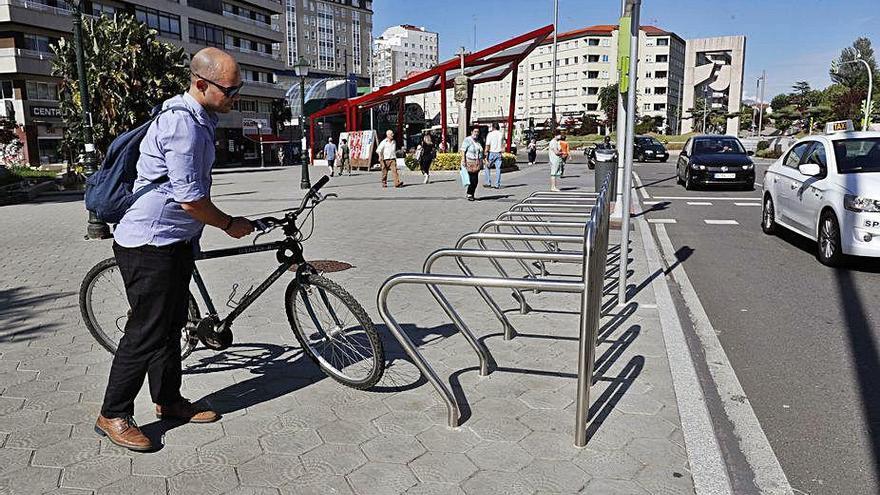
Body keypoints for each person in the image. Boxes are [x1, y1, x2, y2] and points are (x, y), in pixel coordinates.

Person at [97, 47, 254, 452]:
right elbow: (190, 199)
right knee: (146, 331)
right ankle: (112, 413)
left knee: (170, 326)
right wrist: (230, 224)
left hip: (175, 240)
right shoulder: (183, 125)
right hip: (150, 243)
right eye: (231, 90)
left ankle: (168, 400)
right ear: (201, 84)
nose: (235, 97)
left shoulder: (200, 118)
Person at [461, 126, 484, 201]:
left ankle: (471, 193)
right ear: (471, 132)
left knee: (476, 180)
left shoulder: (479, 141)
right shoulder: (467, 140)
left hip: (477, 162)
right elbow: (463, 150)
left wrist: (483, 159)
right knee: (472, 179)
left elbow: (481, 151)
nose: (476, 133)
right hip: (469, 162)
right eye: (475, 131)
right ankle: (469, 193)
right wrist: (463, 160)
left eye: (477, 132)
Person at [483, 123, 504, 188]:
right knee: (498, 169)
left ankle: (488, 182)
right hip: (499, 153)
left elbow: (488, 144)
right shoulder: (501, 134)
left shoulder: (490, 134)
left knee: (487, 167)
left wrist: (485, 152)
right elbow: (503, 144)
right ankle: (497, 184)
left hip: (491, 152)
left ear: (493, 127)